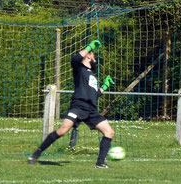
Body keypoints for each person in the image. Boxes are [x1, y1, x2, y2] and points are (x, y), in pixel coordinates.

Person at [28, 39, 116, 168]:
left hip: (91, 110)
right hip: (79, 106)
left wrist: (104, 87)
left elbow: (93, 94)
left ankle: (100, 163)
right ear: (88, 56)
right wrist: (89, 46)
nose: (95, 59)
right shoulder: (79, 68)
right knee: (63, 130)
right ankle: (36, 154)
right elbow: (74, 59)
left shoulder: (92, 75)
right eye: (94, 56)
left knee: (109, 132)